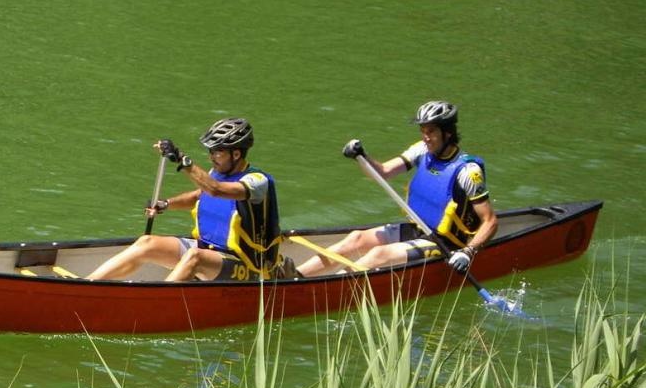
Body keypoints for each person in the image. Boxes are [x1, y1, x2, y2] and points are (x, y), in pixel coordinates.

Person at [295, 100, 498, 277]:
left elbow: (490, 222)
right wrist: (361, 157)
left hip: (447, 244)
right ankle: (296, 276)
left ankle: (324, 287)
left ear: (447, 133)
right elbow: (383, 172)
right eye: (423, 131)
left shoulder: (468, 171)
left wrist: (468, 252)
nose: (425, 137)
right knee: (356, 238)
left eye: (431, 132)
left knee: (378, 255)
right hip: (418, 228)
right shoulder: (421, 150)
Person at [87, 117, 290, 282]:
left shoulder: (257, 181)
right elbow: (199, 196)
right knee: (146, 242)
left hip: (248, 266)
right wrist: (166, 204)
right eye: (210, 151)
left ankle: (155, 303)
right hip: (209, 250)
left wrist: (182, 160)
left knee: (194, 258)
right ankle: (89, 285)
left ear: (236, 154)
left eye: (217, 152)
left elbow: (216, 190)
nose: (211, 157)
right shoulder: (217, 171)